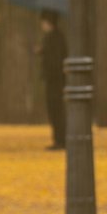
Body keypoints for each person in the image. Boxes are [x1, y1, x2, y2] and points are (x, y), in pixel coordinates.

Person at [39, 10, 67, 150]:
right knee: (56, 110)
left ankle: (60, 139)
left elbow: (54, 60)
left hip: (54, 80)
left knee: (56, 110)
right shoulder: (58, 37)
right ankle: (59, 139)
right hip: (58, 80)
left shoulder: (52, 38)